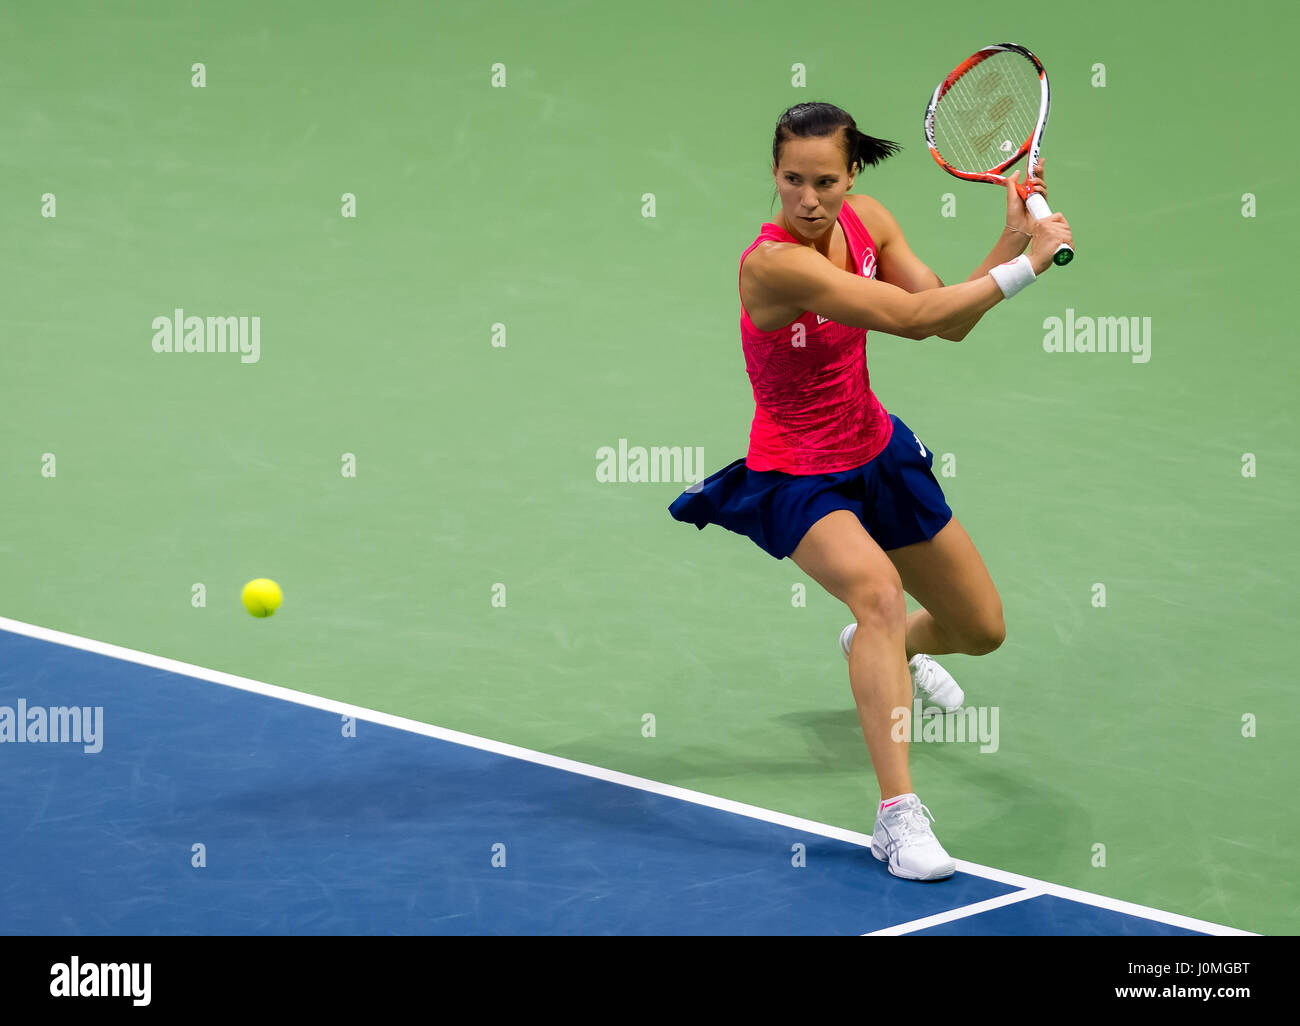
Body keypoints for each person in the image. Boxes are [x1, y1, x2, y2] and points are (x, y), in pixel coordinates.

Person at [667, 102, 1073, 881]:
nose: (808, 198)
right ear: (775, 175)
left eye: (825, 180)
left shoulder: (870, 222)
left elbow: (948, 316)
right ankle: (898, 819)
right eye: (792, 179)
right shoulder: (773, 264)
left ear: (853, 176)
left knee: (981, 628)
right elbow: (916, 320)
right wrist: (1026, 268)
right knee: (879, 594)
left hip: (876, 451)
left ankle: (878, 651)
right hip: (796, 471)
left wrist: (1014, 237)